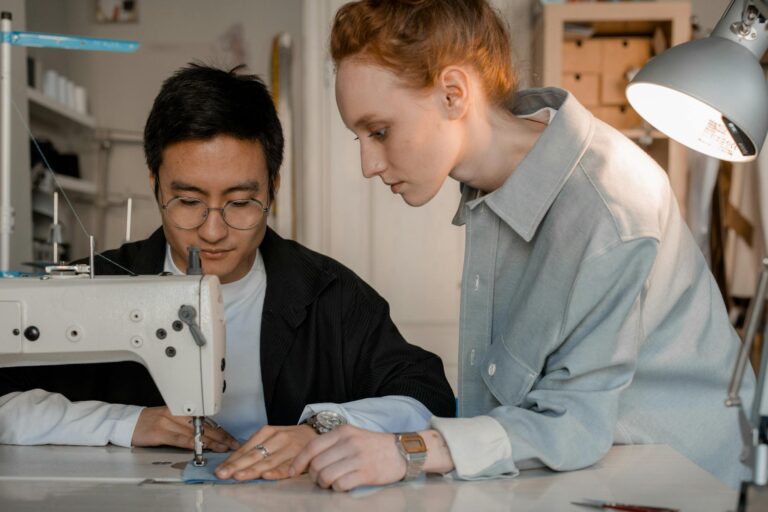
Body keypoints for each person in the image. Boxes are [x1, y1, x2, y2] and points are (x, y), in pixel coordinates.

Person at [278, 0, 753, 490]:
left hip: (680, 486)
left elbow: (571, 423)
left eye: (379, 131)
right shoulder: (493, 188)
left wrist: (410, 450)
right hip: (575, 480)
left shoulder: (610, 207)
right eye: (359, 137)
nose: (368, 165)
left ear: (453, 94)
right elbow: (507, 412)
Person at [0, 63, 455, 481]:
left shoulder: (332, 296)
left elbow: (426, 395)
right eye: (190, 202)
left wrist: (324, 426)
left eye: (240, 203)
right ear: (154, 181)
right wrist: (126, 422)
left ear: (273, 186)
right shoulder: (86, 289)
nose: (213, 231)